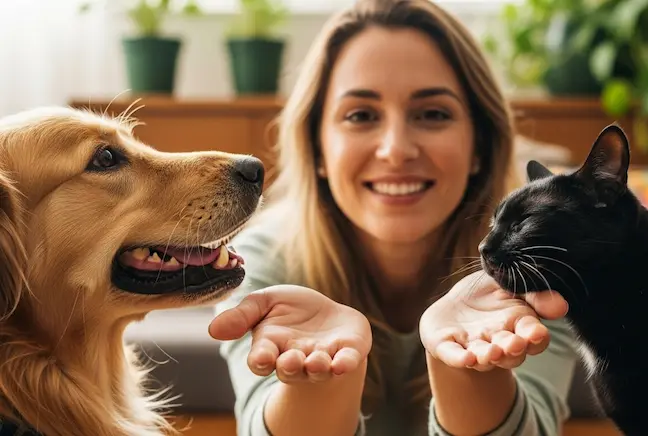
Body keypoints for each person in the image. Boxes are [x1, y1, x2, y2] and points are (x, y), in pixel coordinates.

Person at [208, 1, 579, 435]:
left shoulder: (544, 262)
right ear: (317, 149)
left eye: (433, 114)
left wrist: (471, 370)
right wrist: (317, 385)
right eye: (361, 116)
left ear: (479, 144)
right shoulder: (258, 262)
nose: (396, 149)